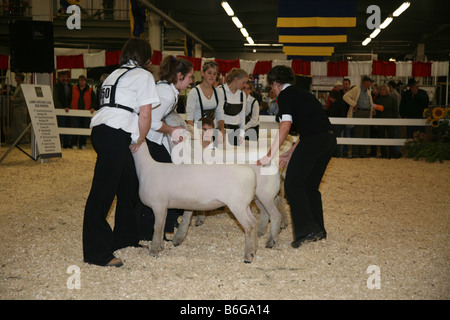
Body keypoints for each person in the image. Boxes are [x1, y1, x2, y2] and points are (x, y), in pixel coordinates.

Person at [83, 38, 158, 267]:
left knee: (128, 183)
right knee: (103, 191)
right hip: (116, 133)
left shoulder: (114, 73)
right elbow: (145, 114)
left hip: (103, 130)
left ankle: (125, 237)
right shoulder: (144, 75)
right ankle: (96, 253)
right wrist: (140, 138)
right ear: (146, 58)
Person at [257, 65, 336, 248]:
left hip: (314, 141)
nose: (273, 90)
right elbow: (310, 127)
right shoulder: (303, 94)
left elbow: (285, 126)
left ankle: (306, 231)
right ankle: (318, 229)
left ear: (275, 84)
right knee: (310, 187)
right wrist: (291, 152)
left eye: (271, 87)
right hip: (328, 140)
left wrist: (270, 155)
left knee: (293, 184)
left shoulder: (285, 95)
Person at [137, 55, 193, 241]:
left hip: (154, 139)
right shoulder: (167, 93)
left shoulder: (168, 90)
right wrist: (171, 130)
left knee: (165, 182)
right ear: (179, 76)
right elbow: (151, 121)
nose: (191, 80)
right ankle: (153, 230)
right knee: (165, 184)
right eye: (190, 77)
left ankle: (164, 226)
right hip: (150, 140)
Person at [186, 60, 224, 129]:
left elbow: (220, 115)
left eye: (214, 74)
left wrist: (221, 132)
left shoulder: (218, 93)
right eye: (209, 73)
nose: (212, 76)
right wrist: (196, 134)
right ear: (203, 73)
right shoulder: (194, 92)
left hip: (212, 130)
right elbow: (189, 118)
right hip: (197, 129)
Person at [343, 76, 375, 158]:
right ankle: (355, 153)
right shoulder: (356, 89)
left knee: (365, 133)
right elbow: (345, 96)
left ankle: (363, 153)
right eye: (369, 82)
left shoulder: (368, 92)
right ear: (365, 82)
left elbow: (370, 103)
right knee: (358, 133)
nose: (370, 84)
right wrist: (354, 104)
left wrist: (371, 111)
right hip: (359, 112)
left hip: (367, 113)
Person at [217, 68, 249, 145]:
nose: (244, 85)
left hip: (235, 131)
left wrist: (242, 133)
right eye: (243, 82)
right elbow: (217, 114)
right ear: (236, 79)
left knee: (234, 156)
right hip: (221, 130)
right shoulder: (220, 91)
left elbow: (242, 115)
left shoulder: (242, 94)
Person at [70, 75, 97, 149]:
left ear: (85, 81)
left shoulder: (90, 90)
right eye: (80, 80)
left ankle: (83, 144)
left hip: (86, 112)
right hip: (75, 112)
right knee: (76, 128)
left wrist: (92, 107)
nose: (81, 82)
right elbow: (69, 98)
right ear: (78, 81)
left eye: (83, 80)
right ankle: (74, 144)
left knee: (84, 128)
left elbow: (94, 101)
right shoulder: (73, 89)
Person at [373, 84, 400, 159]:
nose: (382, 91)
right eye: (381, 90)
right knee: (381, 137)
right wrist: (376, 122)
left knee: (391, 136)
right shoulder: (378, 99)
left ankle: (391, 154)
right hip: (381, 120)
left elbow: (395, 111)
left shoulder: (392, 98)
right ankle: (384, 154)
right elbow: (377, 112)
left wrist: (395, 121)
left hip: (390, 120)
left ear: (387, 90)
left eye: (384, 89)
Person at [9, 72, 30, 144]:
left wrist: (13, 99)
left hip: (21, 108)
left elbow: (22, 98)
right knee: (15, 124)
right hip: (17, 108)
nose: (14, 78)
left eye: (16, 77)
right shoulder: (18, 86)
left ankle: (25, 139)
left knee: (21, 124)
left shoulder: (22, 86)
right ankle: (15, 139)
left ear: (19, 78)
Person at [53, 71, 72, 148]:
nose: (64, 78)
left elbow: (72, 98)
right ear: (59, 78)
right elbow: (55, 99)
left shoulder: (70, 86)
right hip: (60, 110)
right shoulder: (56, 86)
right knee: (61, 126)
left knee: (68, 127)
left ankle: (67, 144)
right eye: (62, 77)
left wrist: (69, 107)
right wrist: (62, 109)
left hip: (69, 110)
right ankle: (59, 143)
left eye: (65, 77)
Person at [328, 90, 348, 157]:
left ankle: (337, 154)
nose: (330, 99)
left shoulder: (339, 103)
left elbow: (338, 114)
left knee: (336, 138)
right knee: (336, 138)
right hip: (336, 123)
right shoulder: (336, 103)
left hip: (338, 124)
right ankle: (336, 153)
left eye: (331, 97)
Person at [341, 78, 352, 157]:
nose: (345, 85)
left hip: (350, 117)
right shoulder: (339, 93)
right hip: (341, 117)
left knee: (347, 134)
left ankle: (346, 151)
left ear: (349, 85)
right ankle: (340, 151)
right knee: (340, 134)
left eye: (346, 84)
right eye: (344, 84)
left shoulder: (352, 94)